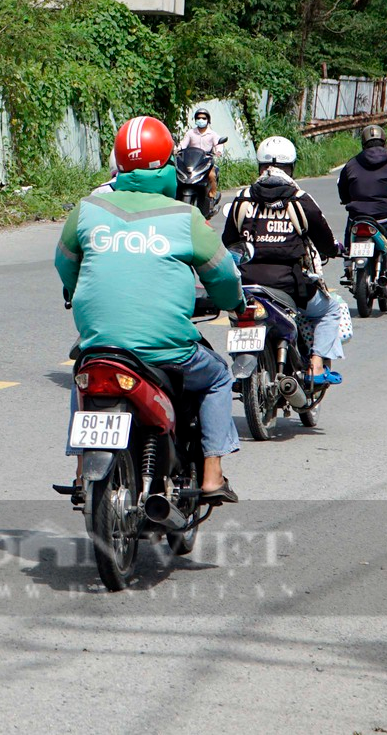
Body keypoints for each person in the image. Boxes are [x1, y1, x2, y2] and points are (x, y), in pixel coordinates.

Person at [56, 116, 245, 504]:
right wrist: (234, 304)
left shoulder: (87, 209)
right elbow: (224, 277)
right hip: (167, 350)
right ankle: (212, 473)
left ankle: (80, 472)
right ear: (167, 166)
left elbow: (65, 266)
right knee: (218, 377)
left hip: (99, 345)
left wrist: (81, 290)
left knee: (84, 376)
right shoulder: (184, 217)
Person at [223, 135, 346, 386]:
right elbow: (325, 239)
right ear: (291, 167)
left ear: (260, 166)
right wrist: (334, 249)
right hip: (289, 284)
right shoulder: (299, 199)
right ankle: (316, 365)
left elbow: (228, 242)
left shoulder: (242, 199)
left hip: (246, 285)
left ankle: (241, 361)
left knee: (240, 317)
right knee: (331, 308)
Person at [336, 123, 387, 287]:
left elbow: (342, 187)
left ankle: (347, 267)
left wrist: (346, 200)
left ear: (363, 143)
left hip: (357, 217)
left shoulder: (351, 164)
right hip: (383, 218)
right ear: (384, 142)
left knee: (349, 229)